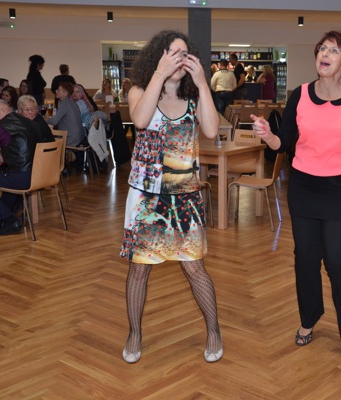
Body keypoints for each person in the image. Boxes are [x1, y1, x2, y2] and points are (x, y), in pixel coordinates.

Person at [251, 31, 341, 361]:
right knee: (306, 259)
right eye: (322, 49)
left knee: (338, 261)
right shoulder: (300, 94)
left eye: (333, 51)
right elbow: (283, 143)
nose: (324, 54)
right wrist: (267, 135)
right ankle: (309, 318)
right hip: (305, 186)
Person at [120, 30, 222, 364]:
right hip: (146, 198)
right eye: (172, 53)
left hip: (184, 198)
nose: (179, 60)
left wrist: (203, 83)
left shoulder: (194, 98)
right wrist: (159, 75)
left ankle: (214, 331)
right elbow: (140, 120)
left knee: (195, 269)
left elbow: (211, 130)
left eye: (184, 54)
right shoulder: (139, 90)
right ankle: (134, 333)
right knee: (139, 271)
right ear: (158, 57)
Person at [0, 100, 54, 235]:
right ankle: (1, 220)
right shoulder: (28, 121)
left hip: (23, 176)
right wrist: (5, 153)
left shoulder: (2, 126)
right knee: (8, 183)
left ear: (3, 111)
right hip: (39, 174)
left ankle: (10, 221)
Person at [47, 82, 84, 147]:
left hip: (71, 139)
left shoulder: (64, 103)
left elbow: (54, 121)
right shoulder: (72, 102)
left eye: (58, 90)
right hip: (79, 137)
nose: (56, 91)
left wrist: (44, 120)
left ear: (65, 93)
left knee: (47, 138)